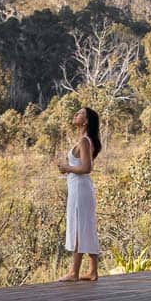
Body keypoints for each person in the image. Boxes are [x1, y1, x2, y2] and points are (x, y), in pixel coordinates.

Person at [58, 106, 101, 281]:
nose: (75, 114)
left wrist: (67, 167)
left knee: (79, 227)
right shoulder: (85, 140)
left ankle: (74, 272)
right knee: (86, 227)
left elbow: (86, 167)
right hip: (78, 188)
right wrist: (66, 169)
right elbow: (80, 166)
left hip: (80, 189)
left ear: (86, 121)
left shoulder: (84, 141)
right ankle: (92, 271)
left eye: (80, 114)